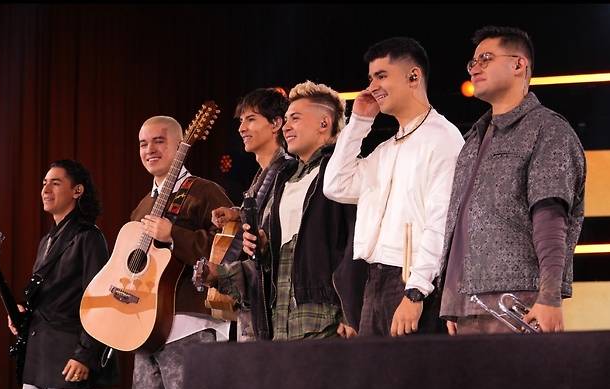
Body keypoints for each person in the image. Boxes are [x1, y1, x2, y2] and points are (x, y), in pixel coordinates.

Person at [436, 26, 586, 335]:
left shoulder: (547, 130)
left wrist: (549, 297)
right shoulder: (472, 140)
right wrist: (453, 297)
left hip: (519, 301)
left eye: (486, 58)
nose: (475, 68)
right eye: (472, 62)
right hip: (466, 305)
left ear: (519, 64)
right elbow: (461, 223)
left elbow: (551, 219)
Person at [323, 37, 464, 337]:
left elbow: (442, 222)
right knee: (373, 369)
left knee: (412, 368)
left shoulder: (443, 138)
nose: (372, 86)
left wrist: (416, 291)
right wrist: (359, 121)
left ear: (413, 76)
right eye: (370, 78)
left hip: (412, 282)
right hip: (374, 280)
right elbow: (335, 185)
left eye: (381, 76)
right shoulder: (386, 149)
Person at [220, 80, 367, 341]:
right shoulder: (284, 178)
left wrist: (350, 311)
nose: (286, 126)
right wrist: (264, 246)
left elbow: (358, 242)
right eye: (286, 119)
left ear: (324, 123)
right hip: (280, 316)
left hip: (326, 315)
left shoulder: (344, 173)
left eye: (295, 118)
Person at [130, 115, 233, 389]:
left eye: (159, 141)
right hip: (147, 330)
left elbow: (229, 249)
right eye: (143, 144)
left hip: (190, 324)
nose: (149, 149)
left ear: (181, 145)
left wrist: (174, 234)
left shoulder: (205, 191)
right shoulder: (143, 206)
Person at [9, 159, 118, 389]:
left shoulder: (89, 238)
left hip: (70, 360)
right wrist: (24, 313)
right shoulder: (46, 241)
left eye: (55, 183)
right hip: (38, 359)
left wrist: (85, 355)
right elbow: (53, 299)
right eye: (44, 183)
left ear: (77, 190)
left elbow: (102, 302)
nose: (46, 189)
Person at [209, 87, 293, 341]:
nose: (242, 128)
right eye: (241, 121)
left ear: (276, 123)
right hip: (257, 298)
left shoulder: (287, 171)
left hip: (275, 300)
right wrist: (236, 213)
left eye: (251, 119)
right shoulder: (263, 174)